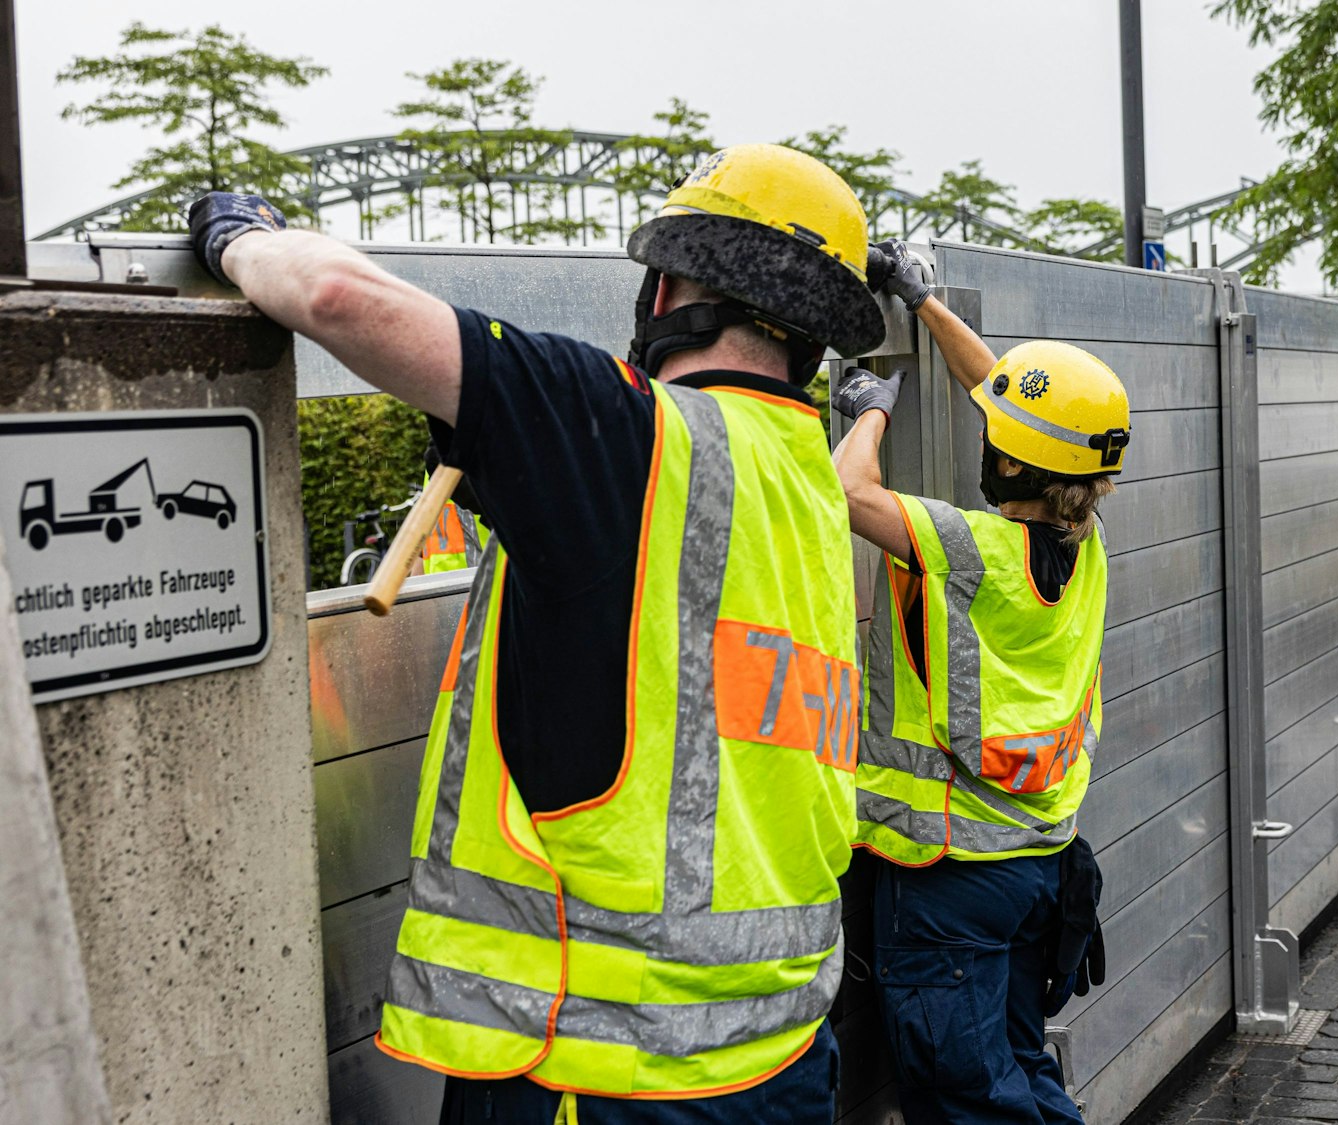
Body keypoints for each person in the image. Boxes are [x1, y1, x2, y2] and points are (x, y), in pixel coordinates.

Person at [187, 142, 886, 1122]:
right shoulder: (808, 482)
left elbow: (340, 299)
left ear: (670, 288)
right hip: (776, 1055)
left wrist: (240, 234)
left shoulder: (636, 434)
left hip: (597, 1072)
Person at [829, 240, 1123, 1125]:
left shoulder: (967, 547)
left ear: (1013, 467)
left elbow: (847, 487)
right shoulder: (1089, 542)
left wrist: (871, 409)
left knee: (971, 1100)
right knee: (1022, 1072)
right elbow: (1012, 402)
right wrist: (926, 306)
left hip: (951, 878)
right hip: (1038, 864)